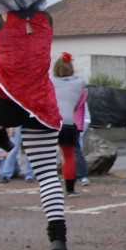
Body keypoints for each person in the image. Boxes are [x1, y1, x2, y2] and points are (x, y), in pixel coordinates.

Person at [0, 0, 69, 250]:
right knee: (47, 175)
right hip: (41, 107)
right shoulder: (47, 19)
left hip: (6, 104)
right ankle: (58, 240)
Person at [51, 52, 88, 197]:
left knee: (47, 156)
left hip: (51, 122)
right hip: (68, 122)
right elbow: (81, 84)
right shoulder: (79, 83)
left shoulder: (50, 81)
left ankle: (47, 186)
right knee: (68, 156)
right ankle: (70, 189)